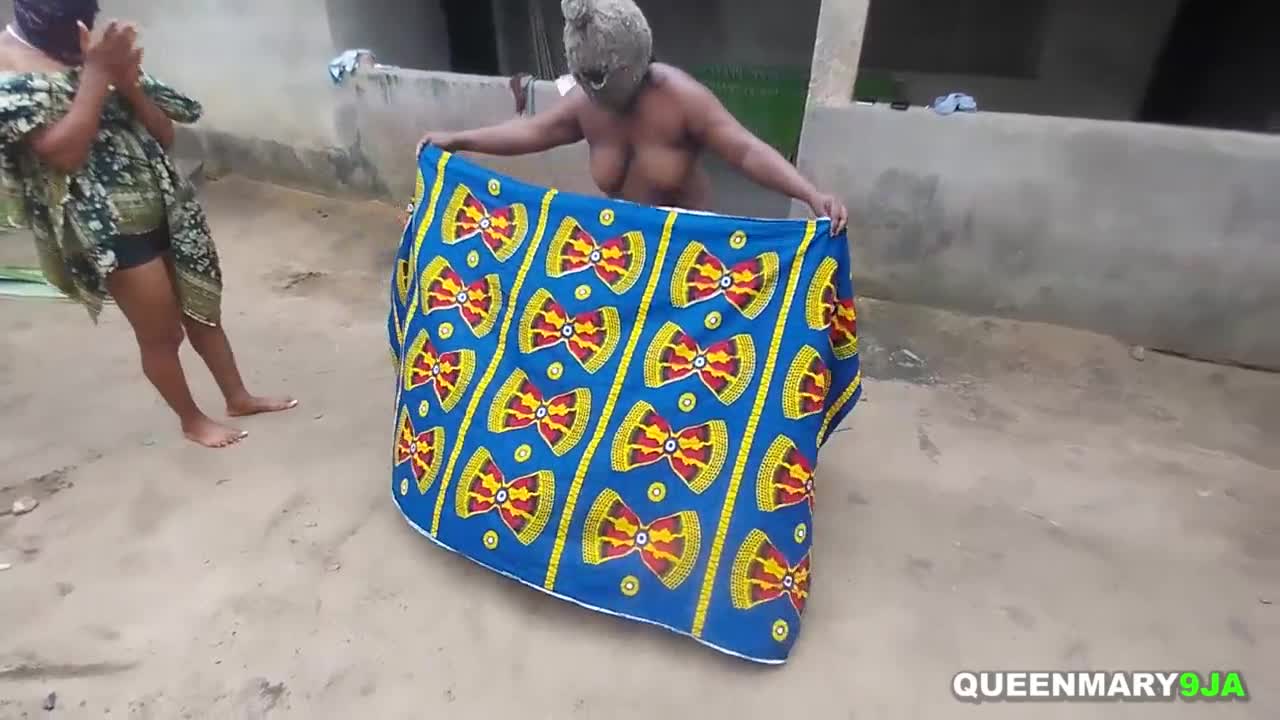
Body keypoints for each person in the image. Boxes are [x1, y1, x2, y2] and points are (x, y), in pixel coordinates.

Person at [0, 0, 295, 448]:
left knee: (203, 312)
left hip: (166, 204)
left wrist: (129, 85)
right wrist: (96, 76)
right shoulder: (10, 66)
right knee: (161, 333)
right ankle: (192, 421)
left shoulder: (90, 47)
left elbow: (165, 134)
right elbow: (65, 154)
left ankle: (238, 397)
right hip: (107, 226)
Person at [417, 0, 849, 233]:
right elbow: (532, 131)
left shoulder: (680, 98)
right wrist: (458, 140)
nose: (597, 89)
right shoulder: (586, 104)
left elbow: (745, 150)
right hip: (625, 248)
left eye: (604, 78)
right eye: (588, 79)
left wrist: (811, 195)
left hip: (688, 249)